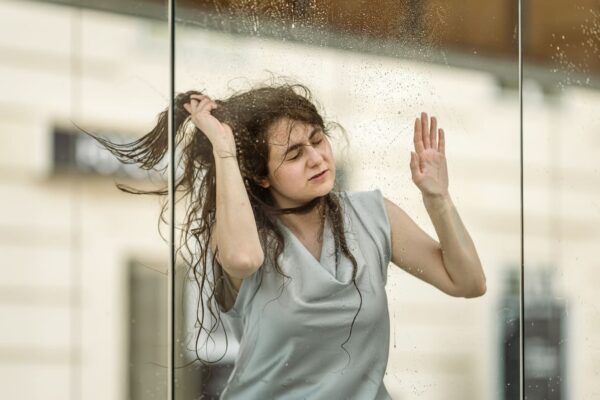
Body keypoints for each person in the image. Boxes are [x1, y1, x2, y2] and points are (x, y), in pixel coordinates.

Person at [96, 81, 486, 399]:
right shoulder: (245, 236)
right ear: (262, 175)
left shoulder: (374, 215)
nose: (317, 158)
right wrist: (225, 152)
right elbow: (245, 259)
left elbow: (468, 283)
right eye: (295, 154)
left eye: (318, 140)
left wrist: (437, 198)